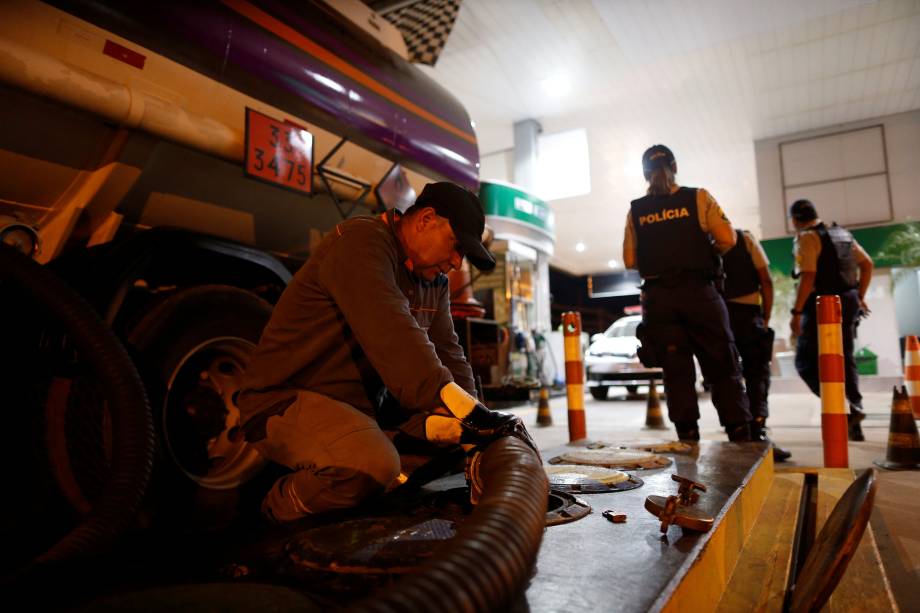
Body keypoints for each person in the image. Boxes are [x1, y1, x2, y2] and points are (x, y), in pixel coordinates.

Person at [237, 182, 536, 524]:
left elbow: (449, 354)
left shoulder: (433, 283)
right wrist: (475, 418)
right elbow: (395, 334)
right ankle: (276, 510)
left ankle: (363, 490)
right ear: (425, 219)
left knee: (451, 441)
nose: (456, 262)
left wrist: (475, 432)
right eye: (456, 246)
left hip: (362, 412)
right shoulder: (360, 242)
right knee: (371, 463)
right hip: (284, 399)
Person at [623, 144, 752, 442]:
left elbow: (630, 260)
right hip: (699, 293)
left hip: (659, 301)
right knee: (721, 362)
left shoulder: (636, 210)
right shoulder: (698, 197)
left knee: (675, 369)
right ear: (675, 167)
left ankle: (687, 434)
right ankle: (738, 430)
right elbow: (727, 238)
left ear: (645, 175)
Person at [788, 199, 874, 441]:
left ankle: (844, 407)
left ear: (795, 220)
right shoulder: (842, 234)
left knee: (805, 362)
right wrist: (860, 296)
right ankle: (855, 411)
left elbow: (808, 276)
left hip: (822, 305)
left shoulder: (806, 237)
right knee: (844, 356)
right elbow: (867, 265)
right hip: (848, 301)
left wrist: (796, 312)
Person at [721, 228, 791, 461]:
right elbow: (766, 280)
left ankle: (738, 432)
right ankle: (758, 430)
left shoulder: (704, 243)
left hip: (718, 316)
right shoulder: (745, 238)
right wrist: (766, 317)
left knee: (726, 377)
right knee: (757, 373)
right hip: (748, 315)